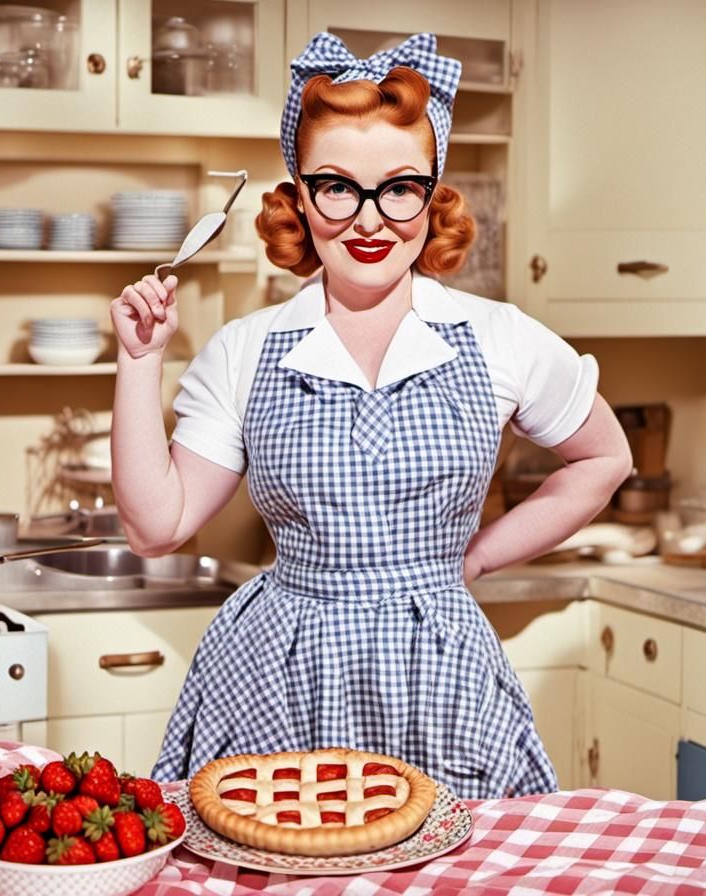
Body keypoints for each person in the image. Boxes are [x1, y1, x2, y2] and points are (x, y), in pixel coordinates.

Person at [109, 32, 632, 799]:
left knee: (455, 857)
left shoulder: (499, 338)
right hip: (277, 681)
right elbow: (156, 527)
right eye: (336, 187)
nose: (368, 220)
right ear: (299, 195)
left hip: (440, 680)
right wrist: (138, 360)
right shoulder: (246, 350)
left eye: (399, 188)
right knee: (274, 855)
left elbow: (605, 458)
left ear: (432, 193)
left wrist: (477, 559)